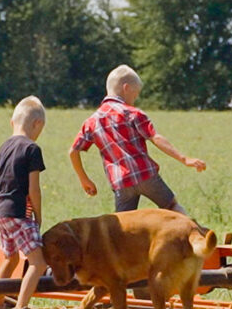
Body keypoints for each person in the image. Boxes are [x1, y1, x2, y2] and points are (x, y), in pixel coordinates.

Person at [69, 65, 207, 212]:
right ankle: (195, 234)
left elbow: (73, 151)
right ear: (126, 88)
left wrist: (84, 179)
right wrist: (184, 159)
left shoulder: (92, 122)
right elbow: (156, 138)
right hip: (145, 175)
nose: (135, 99)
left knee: (125, 227)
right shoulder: (133, 113)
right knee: (173, 208)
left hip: (121, 183)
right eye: (135, 95)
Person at [0, 96, 51, 309]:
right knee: (38, 263)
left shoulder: (2, 148)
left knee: (10, 257)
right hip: (19, 213)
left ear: (12, 122)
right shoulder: (31, 149)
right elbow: (33, 188)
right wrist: (37, 215)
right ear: (37, 124)